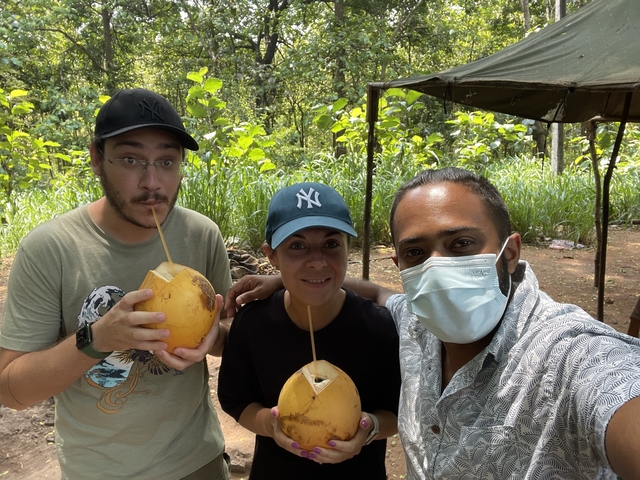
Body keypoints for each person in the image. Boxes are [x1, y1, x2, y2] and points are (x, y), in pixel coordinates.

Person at [225, 167, 640, 480]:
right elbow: (376, 291)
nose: (439, 270)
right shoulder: (414, 323)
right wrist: (289, 280)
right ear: (400, 264)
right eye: (417, 252)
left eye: (460, 244)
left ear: (510, 252)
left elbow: (616, 393)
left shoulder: (569, 355)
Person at [0, 88, 233, 480]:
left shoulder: (201, 235)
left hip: (198, 461)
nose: (152, 182)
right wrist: (99, 338)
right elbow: (11, 392)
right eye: (131, 159)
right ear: (96, 158)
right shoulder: (49, 249)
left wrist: (214, 337)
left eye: (167, 161)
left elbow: (227, 334)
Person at [217, 182, 401, 480]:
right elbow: (237, 400)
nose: (317, 260)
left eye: (331, 244)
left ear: (346, 248)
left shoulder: (379, 328)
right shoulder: (252, 323)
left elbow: (397, 412)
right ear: (271, 256)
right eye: (297, 246)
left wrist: (369, 428)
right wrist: (271, 424)